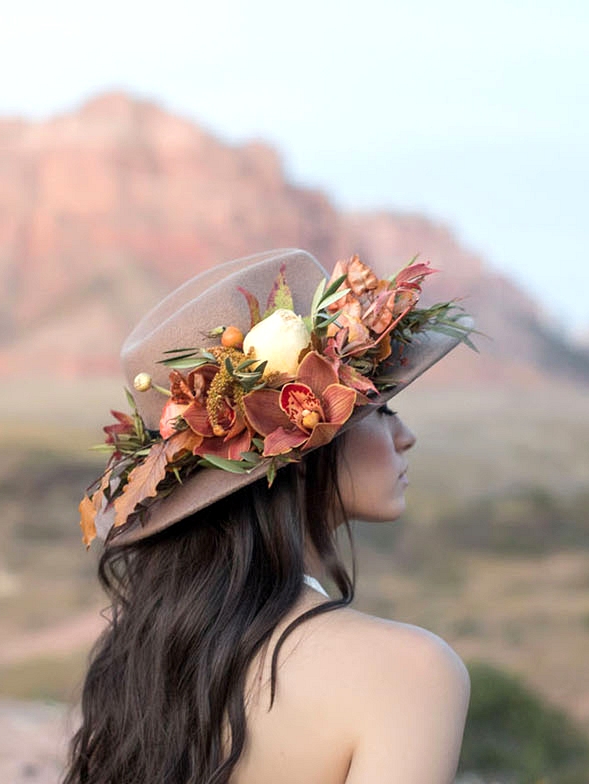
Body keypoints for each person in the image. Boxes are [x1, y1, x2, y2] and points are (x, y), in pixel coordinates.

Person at [64, 248, 475, 784]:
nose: (405, 436)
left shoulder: (146, 654)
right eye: (379, 408)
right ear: (297, 441)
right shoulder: (411, 674)